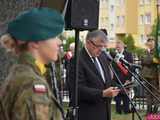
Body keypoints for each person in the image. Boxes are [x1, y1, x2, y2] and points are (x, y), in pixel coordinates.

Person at [0, 8, 65, 120]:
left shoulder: (23, 74)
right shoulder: (31, 84)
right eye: (54, 36)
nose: (59, 42)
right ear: (35, 42)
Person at [67, 30, 120, 120]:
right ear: (88, 43)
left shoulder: (102, 57)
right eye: (99, 46)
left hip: (104, 113)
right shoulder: (77, 60)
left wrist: (121, 88)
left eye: (104, 47)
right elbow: (77, 89)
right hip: (87, 113)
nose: (102, 50)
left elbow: (106, 82)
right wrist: (102, 94)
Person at [112, 40, 133, 114]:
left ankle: (126, 110)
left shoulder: (129, 54)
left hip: (125, 78)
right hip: (116, 78)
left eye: (119, 46)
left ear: (123, 46)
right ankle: (118, 111)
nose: (117, 47)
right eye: (116, 46)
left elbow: (131, 68)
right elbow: (113, 67)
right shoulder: (114, 55)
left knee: (126, 95)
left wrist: (128, 79)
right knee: (117, 95)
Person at [141, 37, 159, 113]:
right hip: (145, 75)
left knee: (155, 93)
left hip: (153, 75)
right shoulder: (145, 51)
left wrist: (148, 59)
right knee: (147, 94)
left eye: (152, 42)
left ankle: (155, 112)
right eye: (149, 42)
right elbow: (142, 60)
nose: (150, 43)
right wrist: (149, 59)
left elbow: (153, 60)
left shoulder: (156, 52)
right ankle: (149, 112)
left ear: (154, 43)